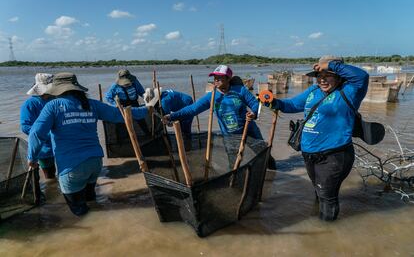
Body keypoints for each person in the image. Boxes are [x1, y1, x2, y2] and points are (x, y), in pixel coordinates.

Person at [27, 72, 152, 216]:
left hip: (71, 167)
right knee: (92, 200)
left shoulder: (53, 106)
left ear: (56, 90)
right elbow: (122, 114)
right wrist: (147, 109)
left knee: (79, 212)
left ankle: (92, 231)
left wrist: (32, 158)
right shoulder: (91, 104)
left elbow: (36, 134)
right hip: (95, 162)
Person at [270, 56, 369, 221]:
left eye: (327, 75)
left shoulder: (350, 91)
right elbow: (291, 105)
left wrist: (330, 64)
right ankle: (317, 220)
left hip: (334, 155)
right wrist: (272, 102)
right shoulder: (313, 91)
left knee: (327, 197)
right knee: (319, 192)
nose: (322, 79)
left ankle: (325, 235)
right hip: (309, 153)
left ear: (338, 75)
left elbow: (362, 76)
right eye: (319, 76)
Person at [162, 65, 264, 170]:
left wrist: (254, 113)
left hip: (249, 130)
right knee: (233, 164)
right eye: (215, 77)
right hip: (230, 136)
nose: (216, 80)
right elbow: (192, 109)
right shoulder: (211, 96)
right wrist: (172, 116)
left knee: (263, 154)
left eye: (220, 77)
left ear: (228, 78)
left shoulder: (240, 91)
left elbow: (255, 104)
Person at [20, 73, 56, 179]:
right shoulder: (30, 104)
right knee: (49, 176)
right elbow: (25, 127)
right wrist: (47, 134)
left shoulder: (55, 100)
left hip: (60, 144)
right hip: (43, 147)